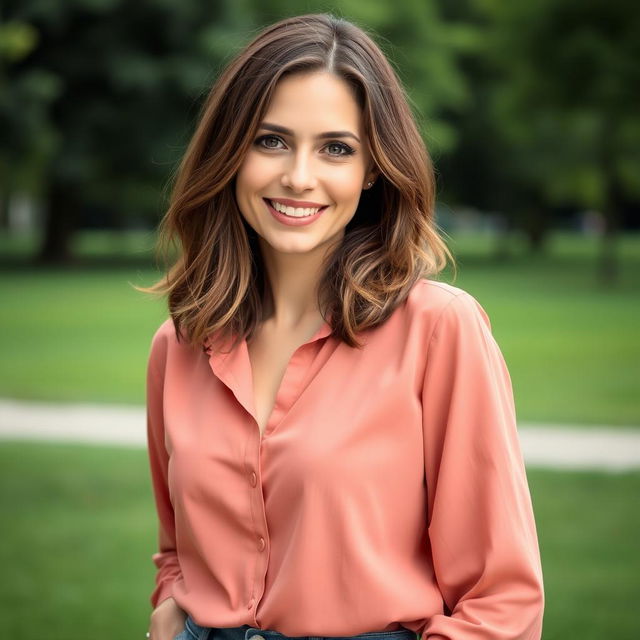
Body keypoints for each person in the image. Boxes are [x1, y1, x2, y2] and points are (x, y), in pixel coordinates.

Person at [138, 12, 544, 640]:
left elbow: (502, 601)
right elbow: (177, 546)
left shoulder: (440, 330)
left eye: (336, 148)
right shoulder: (180, 344)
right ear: (230, 153)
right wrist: (169, 606)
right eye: (270, 140)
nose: (299, 176)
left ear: (374, 168)